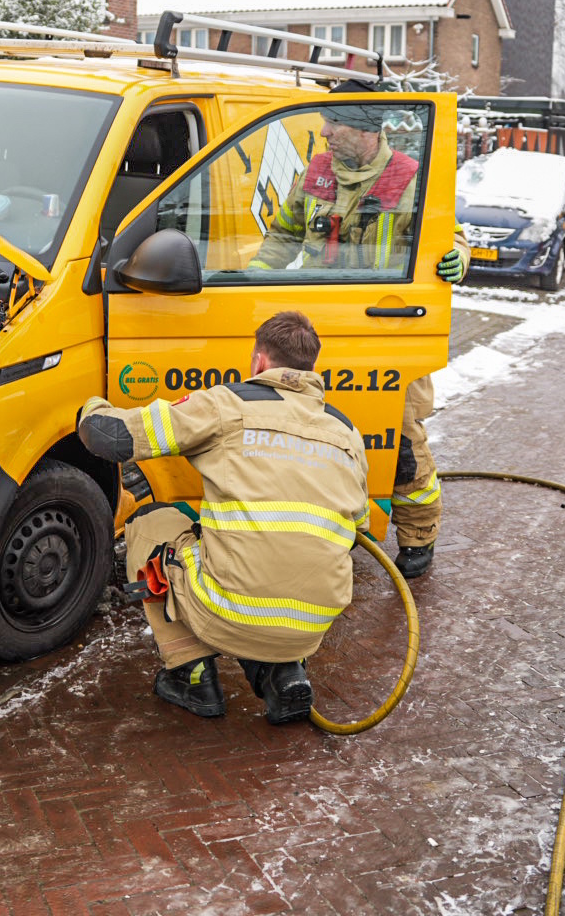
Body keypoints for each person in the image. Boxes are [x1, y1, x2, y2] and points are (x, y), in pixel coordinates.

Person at [76, 312, 368, 724]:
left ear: (260, 362)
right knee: (278, 556)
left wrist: (90, 402)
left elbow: (111, 437)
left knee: (152, 523)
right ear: (311, 369)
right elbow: (357, 531)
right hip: (313, 625)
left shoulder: (227, 404)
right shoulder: (347, 432)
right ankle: (282, 671)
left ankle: (191, 675)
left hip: (228, 613)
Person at [248, 102, 470, 579]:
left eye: (335, 124)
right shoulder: (319, 170)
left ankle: (416, 535)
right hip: (316, 326)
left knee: (401, 444)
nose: (324, 132)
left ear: (368, 130)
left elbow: (447, 236)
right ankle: (331, 524)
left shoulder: (408, 177)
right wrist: (256, 280)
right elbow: (284, 232)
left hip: (382, 329)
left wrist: (458, 257)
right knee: (314, 434)